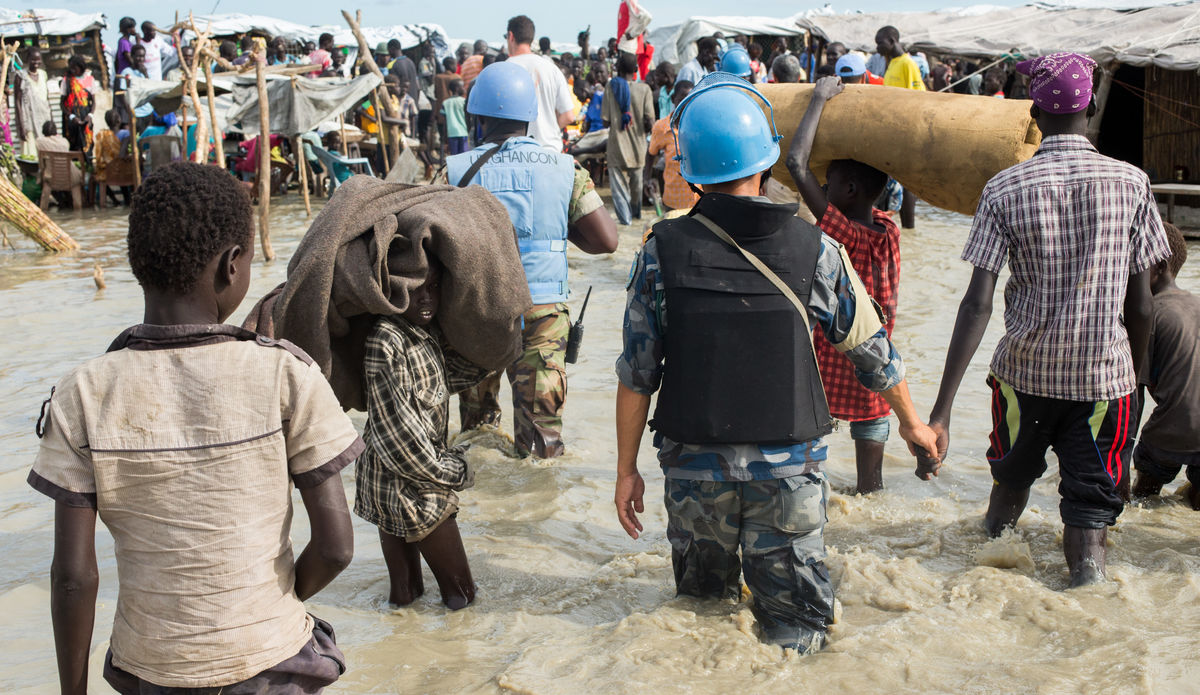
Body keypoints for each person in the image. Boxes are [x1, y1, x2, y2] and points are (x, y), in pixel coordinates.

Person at [614, 75, 939, 653]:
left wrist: (625, 470)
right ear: (765, 160)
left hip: (694, 476)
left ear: (689, 170)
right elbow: (873, 350)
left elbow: (638, 374)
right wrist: (912, 423)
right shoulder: (816, 248)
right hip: (788, 476)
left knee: (700, 618)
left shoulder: (659, 251)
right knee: (799, 628)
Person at [29, 162, 361, 694]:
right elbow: (337, 548)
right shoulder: (285, 374)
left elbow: (73, 578)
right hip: (269, 662)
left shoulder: (83, 393)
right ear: (233, 266)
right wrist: (264, 606)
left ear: (137, 263)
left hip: (151, 668)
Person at [923, 53, 1169, 587]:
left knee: (1008, 489)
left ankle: (977, 584)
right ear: (1094, 104)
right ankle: (1088, 595)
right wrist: (1138, 382)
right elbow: (1143, 304)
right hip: (1105, 383)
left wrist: (941, 412)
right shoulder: (1132, 184)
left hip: (1024, 380)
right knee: (1089, 514)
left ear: (1034, 111)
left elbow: (976, 304)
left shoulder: (1004, 188)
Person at [449, 62, 618, 458]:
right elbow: (607, 240)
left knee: (476, 436)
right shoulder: (564, 169)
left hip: (478, 315)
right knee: (543, 447)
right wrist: (561, 230)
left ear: (479, 116)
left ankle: (482, 511)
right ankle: (540, 516)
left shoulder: (455, 172)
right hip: (542, 317)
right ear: (530, 115)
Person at [786, 75, 902, 493]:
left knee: (812, 441)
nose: (821, 187)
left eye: (829, 181)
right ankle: (870, 497)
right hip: (875, 349)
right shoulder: (889, 230)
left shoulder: (845, 233)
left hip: (835, 351)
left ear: (849, 190)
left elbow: (796, 163)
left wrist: (818, 98)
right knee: (871, 450)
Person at [358, 260, 491, 609]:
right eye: (415, 289)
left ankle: (405, 658)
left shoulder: (426, 333)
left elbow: (454, 377)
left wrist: (500, 339)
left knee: (405, 599)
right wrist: (457, 472)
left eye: (433, 287)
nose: (426, 298)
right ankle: (459, 663)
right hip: (408, 486)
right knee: (463, 598)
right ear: (394, 291)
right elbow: (403, 442)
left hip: (397, 480)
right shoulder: (385, 340)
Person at [1131, 223, 1200, 510]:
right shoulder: (1194, 303)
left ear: (1158, 266)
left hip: (1172, 432)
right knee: (1192, 511)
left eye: (1136, 264)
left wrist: (1120, 458)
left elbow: (1133, 395)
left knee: (1142, 501)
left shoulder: (1149, 314)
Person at [504, 15, 576, 151]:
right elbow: (568, 116)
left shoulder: (505, 69)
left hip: (515, 153)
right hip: (549, 151)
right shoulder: (551, 68)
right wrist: (548, 129)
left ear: (511, 36)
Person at [604, 52, 654, 225]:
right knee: (636, 189)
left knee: (619, 191)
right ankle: (636, 219)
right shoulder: (645, 89)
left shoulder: (611, 87)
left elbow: (605, 120)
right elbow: (650, 121)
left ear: (618, 68)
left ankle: (625, 223)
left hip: (616, 146)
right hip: (639, 148)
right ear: (635, 70)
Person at [645, 79, 696, 212]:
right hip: (674, 198)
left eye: (690, 99)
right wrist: (647, 179)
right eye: (682, 99)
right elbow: (651, 154)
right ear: (673, 99)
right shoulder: (662, 127)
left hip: (698, 199)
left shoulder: (700, 126)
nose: (685, 104)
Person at [14, 47, 52, 157]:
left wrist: (51, 120)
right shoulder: (20, 76)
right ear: (27, 60)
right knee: (30, 151)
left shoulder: (43, 74)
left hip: (44, 118)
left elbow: (47, 98)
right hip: (28, 119)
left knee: (45, 151)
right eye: (33, 60)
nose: (36, 63)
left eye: (38, 60)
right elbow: (17, 101)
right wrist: (21, 125)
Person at [61, 56, 94, 154]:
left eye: (75, 68)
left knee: (87, 145)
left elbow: (93, 102)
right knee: (73, 146)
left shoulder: (89, 79)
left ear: (81, 67)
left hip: (85, 118)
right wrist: (71, 116)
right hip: (71, 120)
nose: (72, 70)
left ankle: (87, 167)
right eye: (71, 68)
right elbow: (62, 103)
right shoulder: (66, 81)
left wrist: (90, 115)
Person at [876, 26, 924, 91]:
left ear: (891, 41)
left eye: (880, 43)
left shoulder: (907, 63)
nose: (877, 48)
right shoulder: (892, 63)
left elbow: (917, 94)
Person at [119, 45, 154, 132]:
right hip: (135, 113)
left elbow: (150, 90)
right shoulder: (126, 72)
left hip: (148, 112)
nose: (140, 59)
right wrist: (129, 112)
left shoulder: (146, 72)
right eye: (138, 56)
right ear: (132, 56)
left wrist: (145, 74)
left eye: (142, 56)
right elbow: (123, 94)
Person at [440, 79, 469, 155]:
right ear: (457, 88)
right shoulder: (464, 101)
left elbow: (445, 123)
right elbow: (468, 118)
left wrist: (445, 138)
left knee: (454, 156)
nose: (464, 88)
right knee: (464, 156)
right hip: (463, 132)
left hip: (451, 134)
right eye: (462, 86)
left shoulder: (445, 103)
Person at [114, 17, 138, 83]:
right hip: (125, 75)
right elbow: (129, 59)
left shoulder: (125, 41)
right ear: (128, 29)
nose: (135, 30)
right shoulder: (124, 42)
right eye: (133, 27)